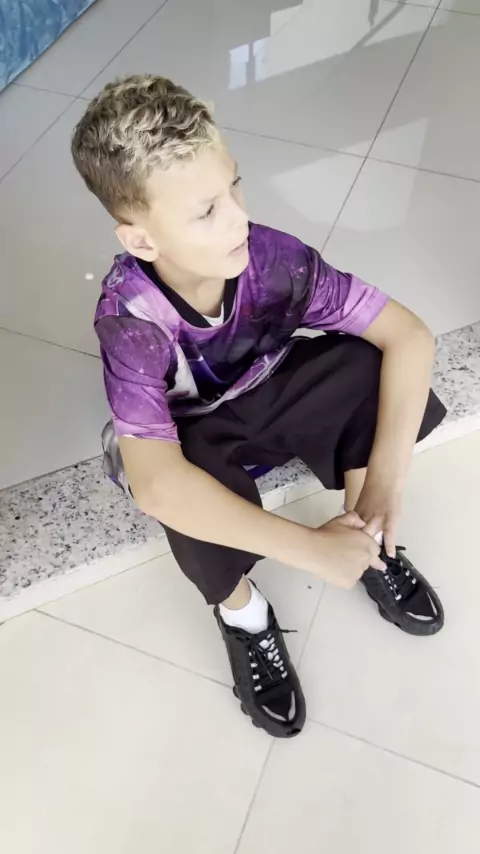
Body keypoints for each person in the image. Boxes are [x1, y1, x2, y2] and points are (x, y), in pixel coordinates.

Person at [71, 74, 446, 739]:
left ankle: (368, 539)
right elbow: (158, 485)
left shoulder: (273, 259)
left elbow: (409, 336)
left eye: (235, 187)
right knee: (180, 494)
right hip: (198, 432)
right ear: (143, 242)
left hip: (271, 387)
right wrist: (311, 551)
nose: (239, 218)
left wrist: (386, 481)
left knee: (365, 365)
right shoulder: (131, 319)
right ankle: (244, 615)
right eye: (206, 211)